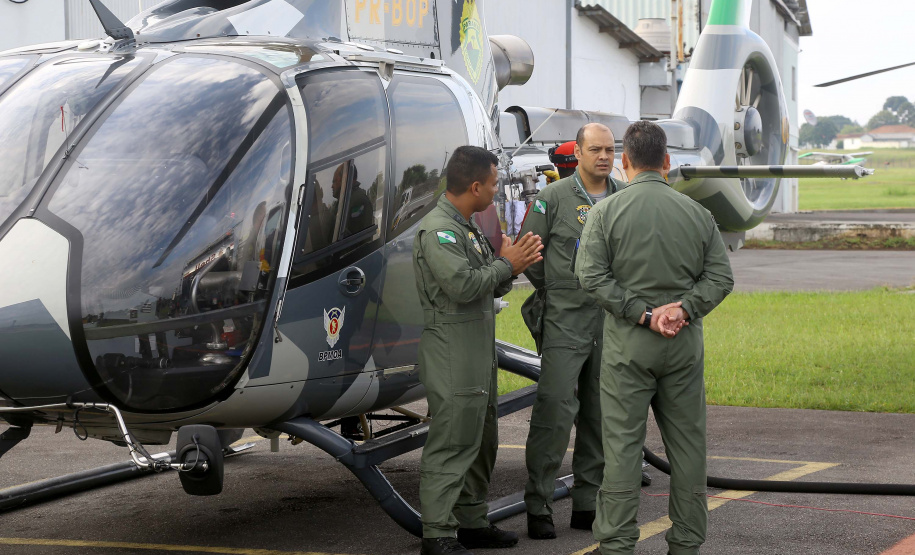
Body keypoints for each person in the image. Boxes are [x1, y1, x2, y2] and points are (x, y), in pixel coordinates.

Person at [575, 120, 734, 555]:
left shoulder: (606, 212)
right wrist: (683, 308)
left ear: (625, 162)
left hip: (629, 346)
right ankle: (686, 544)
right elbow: (721, 278)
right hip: (682, 344)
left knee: (622, 451)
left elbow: (590, 276)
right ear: (667, 161)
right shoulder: (698, 214)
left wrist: (643, 314)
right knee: (688, 450)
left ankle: (617, 544)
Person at [413, 145, 544, 555]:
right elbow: (463, 285)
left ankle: (471, 521)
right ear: (474, 187)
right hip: (453, 350)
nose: (496, 190)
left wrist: (510, 264)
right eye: (493, 183)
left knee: (480, 438)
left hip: (475, 348)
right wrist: (506, 265)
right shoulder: (440, 230)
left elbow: (489, 281)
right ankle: (438, 533)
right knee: (453, 439)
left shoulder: (465, 227)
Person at [516, 123, 625, 540]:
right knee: (555, 410)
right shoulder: (553, 198)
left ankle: (586, 502)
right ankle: (539, 505)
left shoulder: (624, 196)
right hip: (565, 319)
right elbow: (530, 253)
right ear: (577, 153)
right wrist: (560, 288)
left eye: (609, 150)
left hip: (610, 320)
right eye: (595, 149)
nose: (604, 156)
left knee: (600, 413)